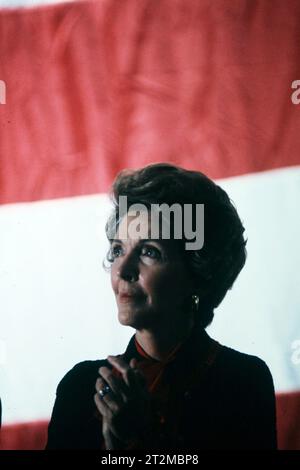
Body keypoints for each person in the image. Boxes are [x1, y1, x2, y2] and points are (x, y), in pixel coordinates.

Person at [45, 163, 277, 450]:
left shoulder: (243, 382)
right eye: (118, 249)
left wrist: (143, 440)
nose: (122, 270)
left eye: (149, 251)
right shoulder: (80, 387)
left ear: (198, 273)